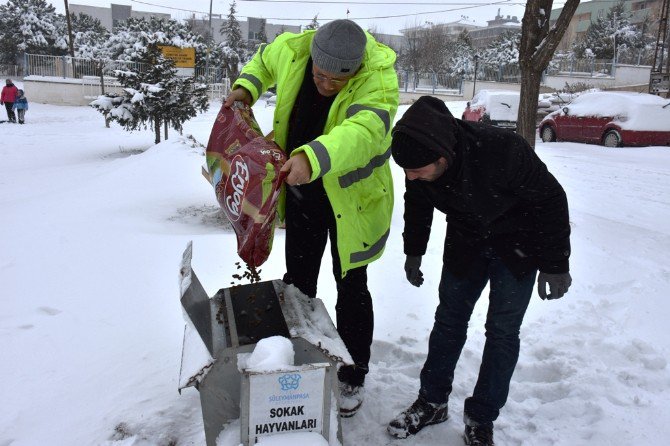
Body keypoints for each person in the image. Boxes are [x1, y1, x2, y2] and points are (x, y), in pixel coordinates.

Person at [223, 20, 399, 417]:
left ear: (354, 71)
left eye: (336, 80)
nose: (324, 84)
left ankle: (353, 374)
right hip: (303, 195)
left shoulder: (380, 81)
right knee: (298, 283)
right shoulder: (293, 49)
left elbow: (362, 132)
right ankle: (295, 358)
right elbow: (264, 63)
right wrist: (247, 87)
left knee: (352, 289)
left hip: (351, 207)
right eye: (318, 75)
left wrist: (311, 157)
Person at [387, 96, 572, 445]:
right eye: (407, 172)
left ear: (443, 158)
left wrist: (555, 264)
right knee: (448, 321)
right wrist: (414, 251)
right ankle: (432, 401)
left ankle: (481, 417)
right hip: (466, 242)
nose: (411, 178)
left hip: (518, 246)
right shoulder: (419, 159)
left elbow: (551, 199)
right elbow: (418, 204)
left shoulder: (503, 150)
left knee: (502, 332)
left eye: (417, 171)